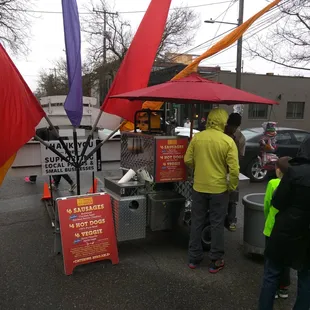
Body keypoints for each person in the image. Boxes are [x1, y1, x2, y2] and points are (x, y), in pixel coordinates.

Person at [184, 108, 239, 273]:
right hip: (219, 189)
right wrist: (231, 186)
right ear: (223, 122)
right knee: (217, 224)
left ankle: (194, 259)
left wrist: (197, 168)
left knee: (197, 222)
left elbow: (187, 160)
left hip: (199, 187)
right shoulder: (228, 141)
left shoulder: (197, 138)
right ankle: (215, 260)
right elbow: (234, 170)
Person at [258, 137, 310, 310]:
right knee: (306, 280)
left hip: (286, 231)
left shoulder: (295, 172)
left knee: (271, 274)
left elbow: (278, 202)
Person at [263, 157, 291, 300]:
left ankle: (271, 289)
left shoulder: (273, 183)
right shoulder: (295, 185)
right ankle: (284, 288)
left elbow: (267, 204)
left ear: (278, 170)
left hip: (272, 228)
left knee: (271, 260)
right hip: (288, 229)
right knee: (285, 260)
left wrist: (267, 217)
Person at [224, 112, 246, 232]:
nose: (233, 129)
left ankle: (231, 220)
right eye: (232, 126)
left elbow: (241, 156)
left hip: (231, 169)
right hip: (220, 169)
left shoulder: (240, 137)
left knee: (232, 197)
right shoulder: (221, 133)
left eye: (235, 127)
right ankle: (224, 219)